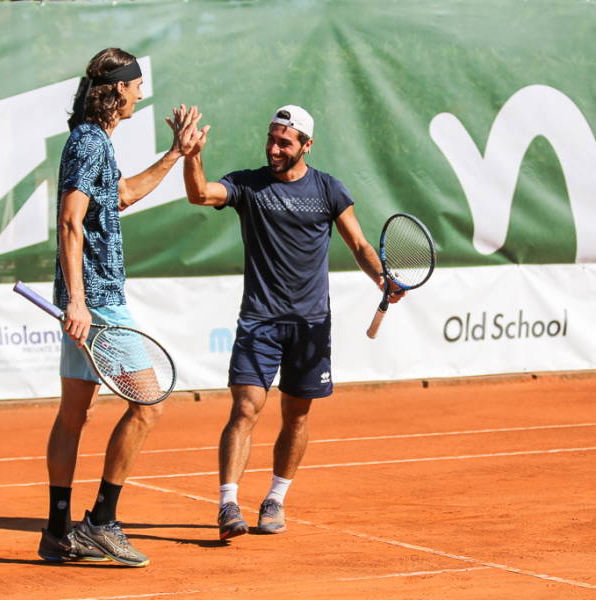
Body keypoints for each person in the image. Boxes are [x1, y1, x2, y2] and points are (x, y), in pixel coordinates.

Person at [179, 104, 403, 541]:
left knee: (296, 417)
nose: (274, 148)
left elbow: (357, 243)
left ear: (306, 145)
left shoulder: (329, 190)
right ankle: (227, 503)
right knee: (245, 408)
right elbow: (200, 194)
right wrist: (192, 156)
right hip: (259, 321)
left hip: (311, 325)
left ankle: (275, 499)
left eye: (285, 142)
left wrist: (381, 277)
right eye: (271, 139)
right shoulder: (248, 185)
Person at [37, 48, 205, 567]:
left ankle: (57, 531)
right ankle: (102, 521)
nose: (139, 95)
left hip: (89, 299)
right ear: (117, 91)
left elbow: (123, 195)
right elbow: (70, 221)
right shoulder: (90, 143)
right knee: (149, 406)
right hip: (100, 302)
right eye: (135, 87)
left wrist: (176, 154)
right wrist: (82, 301)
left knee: (74, 415)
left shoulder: (92, 142)